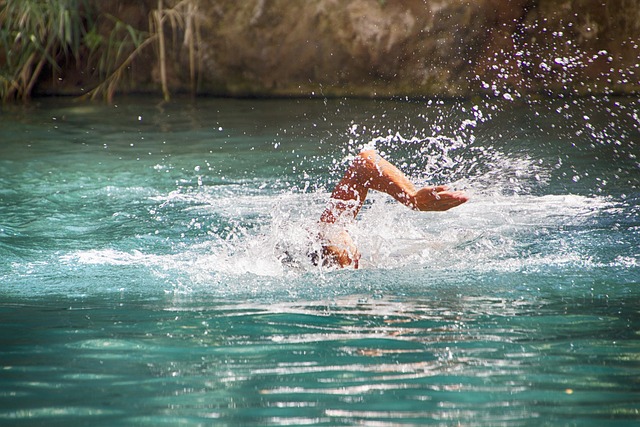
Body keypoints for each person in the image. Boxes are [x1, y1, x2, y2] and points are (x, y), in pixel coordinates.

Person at [316, 149, 469, 268]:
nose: (357, 256)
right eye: (353, 256)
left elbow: (364, 162)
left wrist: (412, 198)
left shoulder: (327, 228)